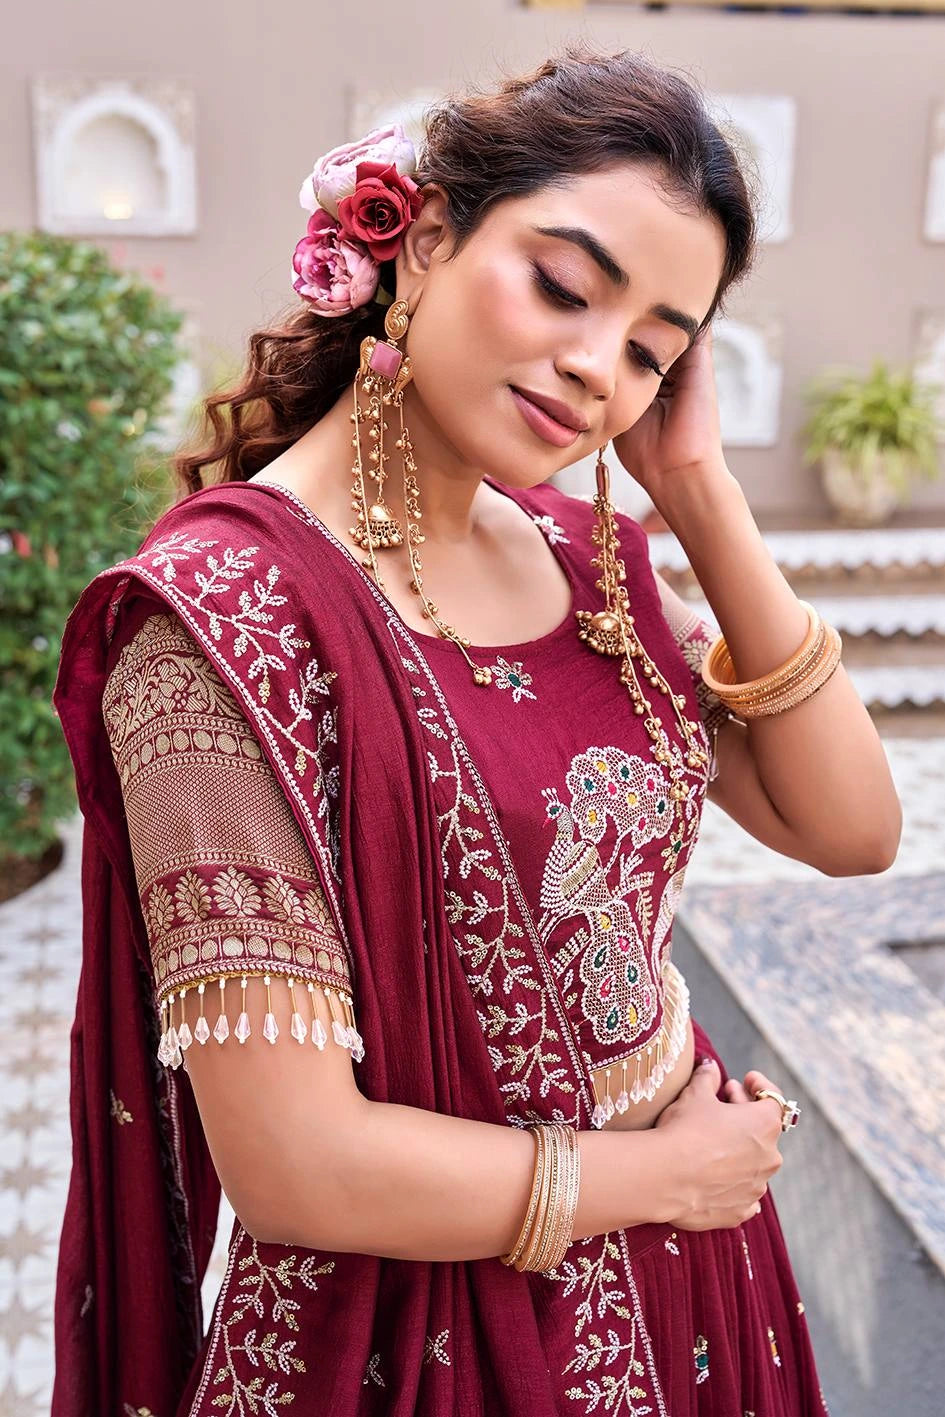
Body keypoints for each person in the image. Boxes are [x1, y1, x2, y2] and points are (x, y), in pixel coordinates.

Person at [50, 43, 902, 1417]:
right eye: (563, 286)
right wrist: (666, 1176)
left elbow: (848, 827)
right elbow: (295, 1160)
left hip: (688, 1297)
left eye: (649, 350)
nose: (591, 367)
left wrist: (694, 491)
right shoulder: (221, 620)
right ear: (426, 233)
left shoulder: (594, 558)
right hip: (412, 1337)